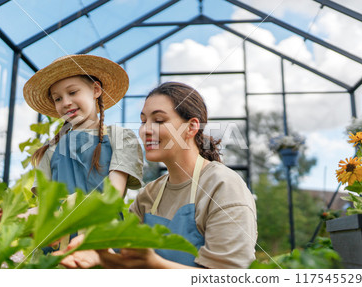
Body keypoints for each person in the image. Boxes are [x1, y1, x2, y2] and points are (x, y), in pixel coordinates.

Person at [57, 81, 257, 269]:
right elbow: (121, 248)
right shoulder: (150, 194)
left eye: (159, 120)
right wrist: (95, 250)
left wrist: (155, 265)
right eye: (143, 121)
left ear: (192, 127)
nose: (145, 130)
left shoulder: (222, 185)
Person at [0, 55, 144, 248]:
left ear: (96, 90)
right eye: (58, 98)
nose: (66, 102)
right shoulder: (50, 150)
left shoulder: (120, 138)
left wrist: (36, 215)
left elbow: (110, 198)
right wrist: (20, 218)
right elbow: (45, 208)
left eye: (73, 92)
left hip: (103, 241)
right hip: (56, 244)